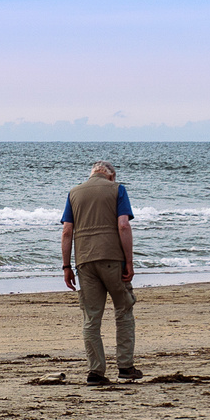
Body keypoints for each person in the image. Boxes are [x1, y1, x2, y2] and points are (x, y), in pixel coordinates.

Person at [60, 160, 140, 384]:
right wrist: (130, 262)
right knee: (123, 310)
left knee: (91, 318)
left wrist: (66, 266)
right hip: (113, 258)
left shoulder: (74, 193)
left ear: (92, 174)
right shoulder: (118, 189)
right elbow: (123, 225)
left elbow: (67, 232)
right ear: (111, 176)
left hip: (84, 261)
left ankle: (95, 371)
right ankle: (125, 367)